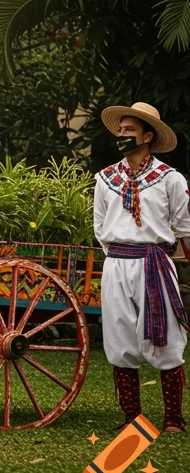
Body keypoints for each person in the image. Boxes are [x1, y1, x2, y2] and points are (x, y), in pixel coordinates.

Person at [94, 102, 189, 433]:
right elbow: (100, 228)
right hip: (116, 264)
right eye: (121, 130)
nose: (122, 135)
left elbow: (184, 228)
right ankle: (132, 418)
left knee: (167, 340)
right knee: (119, 340)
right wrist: (121, 254)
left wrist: (157, 253)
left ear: (148, 136)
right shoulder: (105, 179)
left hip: (155, 264)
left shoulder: (169, 179)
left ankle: (173, 419)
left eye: (129, 130)